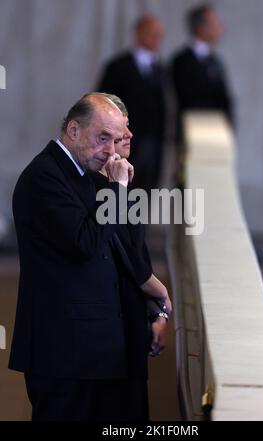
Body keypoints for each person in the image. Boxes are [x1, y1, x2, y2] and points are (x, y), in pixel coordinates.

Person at [9, 93, 156, 421]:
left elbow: (115, 251)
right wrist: (117, 189)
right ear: (73, 130)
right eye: (102, 138)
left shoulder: (79, 172)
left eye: (115, 139)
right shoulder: (44, 177)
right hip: (61, 353)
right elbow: (87, 244)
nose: (110, 150)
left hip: (87, 352)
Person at [95, 93, 172, 353]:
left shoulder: (124, 180)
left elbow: (139, 253)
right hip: (108, 331)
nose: (129, 134)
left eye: (128, 126)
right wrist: (159, 292)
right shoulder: (96, 186)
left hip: (131, 320)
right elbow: (123, 257)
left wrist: (156, 311)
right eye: (121, 128)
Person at [96, 15, 166, 193]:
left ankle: (138, 222)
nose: (157, 39)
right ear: (139, 34)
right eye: (152, 34)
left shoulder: (160, 69)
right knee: (121, 186)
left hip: (153, 141)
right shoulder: (118, 66)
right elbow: (103, 103)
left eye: (159, 35)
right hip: (123, 140)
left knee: (147, 186)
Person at [172, 4, 234, 128]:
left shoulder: (215, 61)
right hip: (194, 129)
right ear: (201, 28)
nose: (219, 27)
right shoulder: (182, 61)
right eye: (214, 23)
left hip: (217, 129)